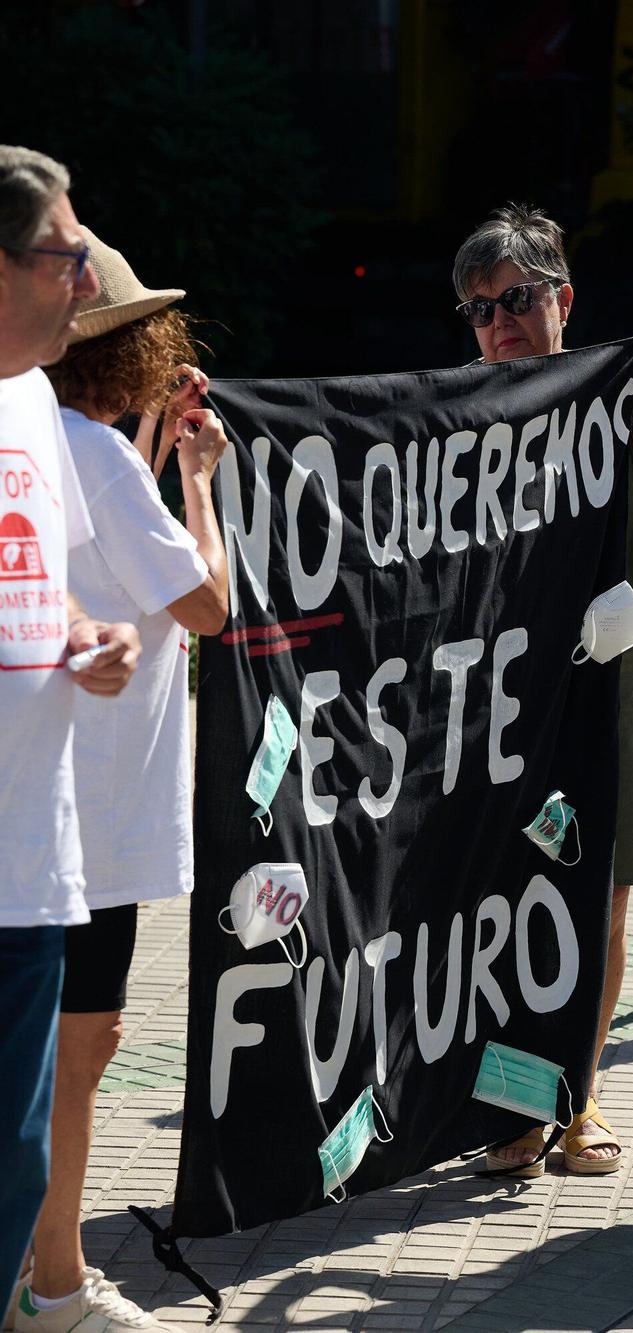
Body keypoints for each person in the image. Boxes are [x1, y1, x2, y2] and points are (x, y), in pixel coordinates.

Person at [451, 204, 633, 1176]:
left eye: (517, 299)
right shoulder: (455, 412)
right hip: (492, 698)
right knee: (498, 900)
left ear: (563, 299)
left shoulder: (616, 398)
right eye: (479, 309)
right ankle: (520, 1107)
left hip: (609, 688)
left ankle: (578, 1094)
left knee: (601, 900)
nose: (499, 323)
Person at [15, 232, 225, 1333]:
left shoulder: (40, 439)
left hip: (41, 795)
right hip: (93, 811)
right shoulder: (92, 455)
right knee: (79, 1055)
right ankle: (53, 1283)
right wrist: (196, 483)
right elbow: (205, 604)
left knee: (44, 1051)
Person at [0, 144, 136, 1301]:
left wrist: (87, 632)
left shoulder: (36, 402)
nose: (88, 285)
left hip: (32, 878)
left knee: (11, 1181)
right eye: (65, 256)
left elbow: (34, 583)